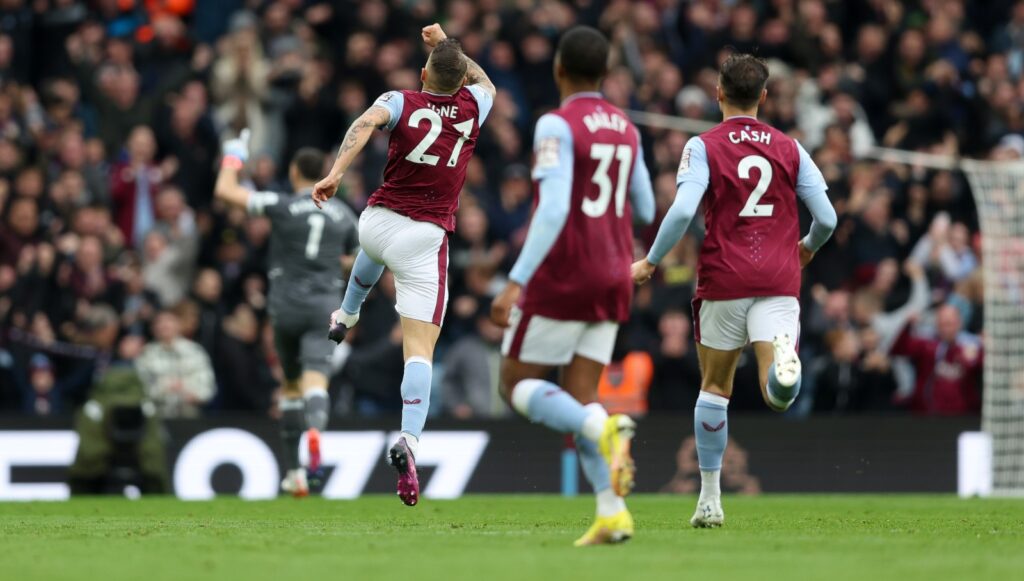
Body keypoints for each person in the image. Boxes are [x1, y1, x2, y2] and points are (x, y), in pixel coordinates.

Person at [632, 54, 838, 528]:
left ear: (718, 93)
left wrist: (651, 261)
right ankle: (784, 360)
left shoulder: (703, 145)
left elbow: (683, 212)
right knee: (777, 395)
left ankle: (709, 500)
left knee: (715, 388)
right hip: (779, 279)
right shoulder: (790, 147)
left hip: (724, 278)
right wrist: (805, 248)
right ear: (764, 97)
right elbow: (827, 218)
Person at [310, 23, 495, 506]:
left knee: (372, 251)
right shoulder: (476, 105)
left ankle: (346, 314)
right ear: (460, 84)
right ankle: (410, 440)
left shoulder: (400, 99)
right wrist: (449, 43)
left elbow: (363, 124)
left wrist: (335, 174)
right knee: (420, 351)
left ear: (421, 74)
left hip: (375, 220)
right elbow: (485, 83)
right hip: (424, 237)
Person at [490, 26, 656, 546]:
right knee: (583, 395)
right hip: (613, 275)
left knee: (514, 384)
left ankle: (603, 429)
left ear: (559, 69)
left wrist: (515, 281)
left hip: (563, 276)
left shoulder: (555, 125)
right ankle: (611, 513)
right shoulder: (627, 129)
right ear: (606, 74)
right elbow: (647, 208)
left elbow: (557, 206)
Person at [215, 142, 359, 497]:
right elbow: (360, 260)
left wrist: (234, 155)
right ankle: (315, 431)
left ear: (294, 172)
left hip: (284, 306)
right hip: (325, 304)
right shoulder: (344, 215)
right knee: (315, 383)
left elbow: (225, 191)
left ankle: (294, 472)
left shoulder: (282, 204)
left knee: (290, 384)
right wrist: (332, 263)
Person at [135, 310, 216, 419]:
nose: (164, 325)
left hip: (190, 414)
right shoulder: (145, 354)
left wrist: (186, 389)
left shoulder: (195, 351)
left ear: (179, 324)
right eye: (159, 322)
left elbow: (208, 388)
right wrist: (165, 387)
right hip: (156, 415)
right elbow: (140, 388)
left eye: (169, 321)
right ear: (153, 328)